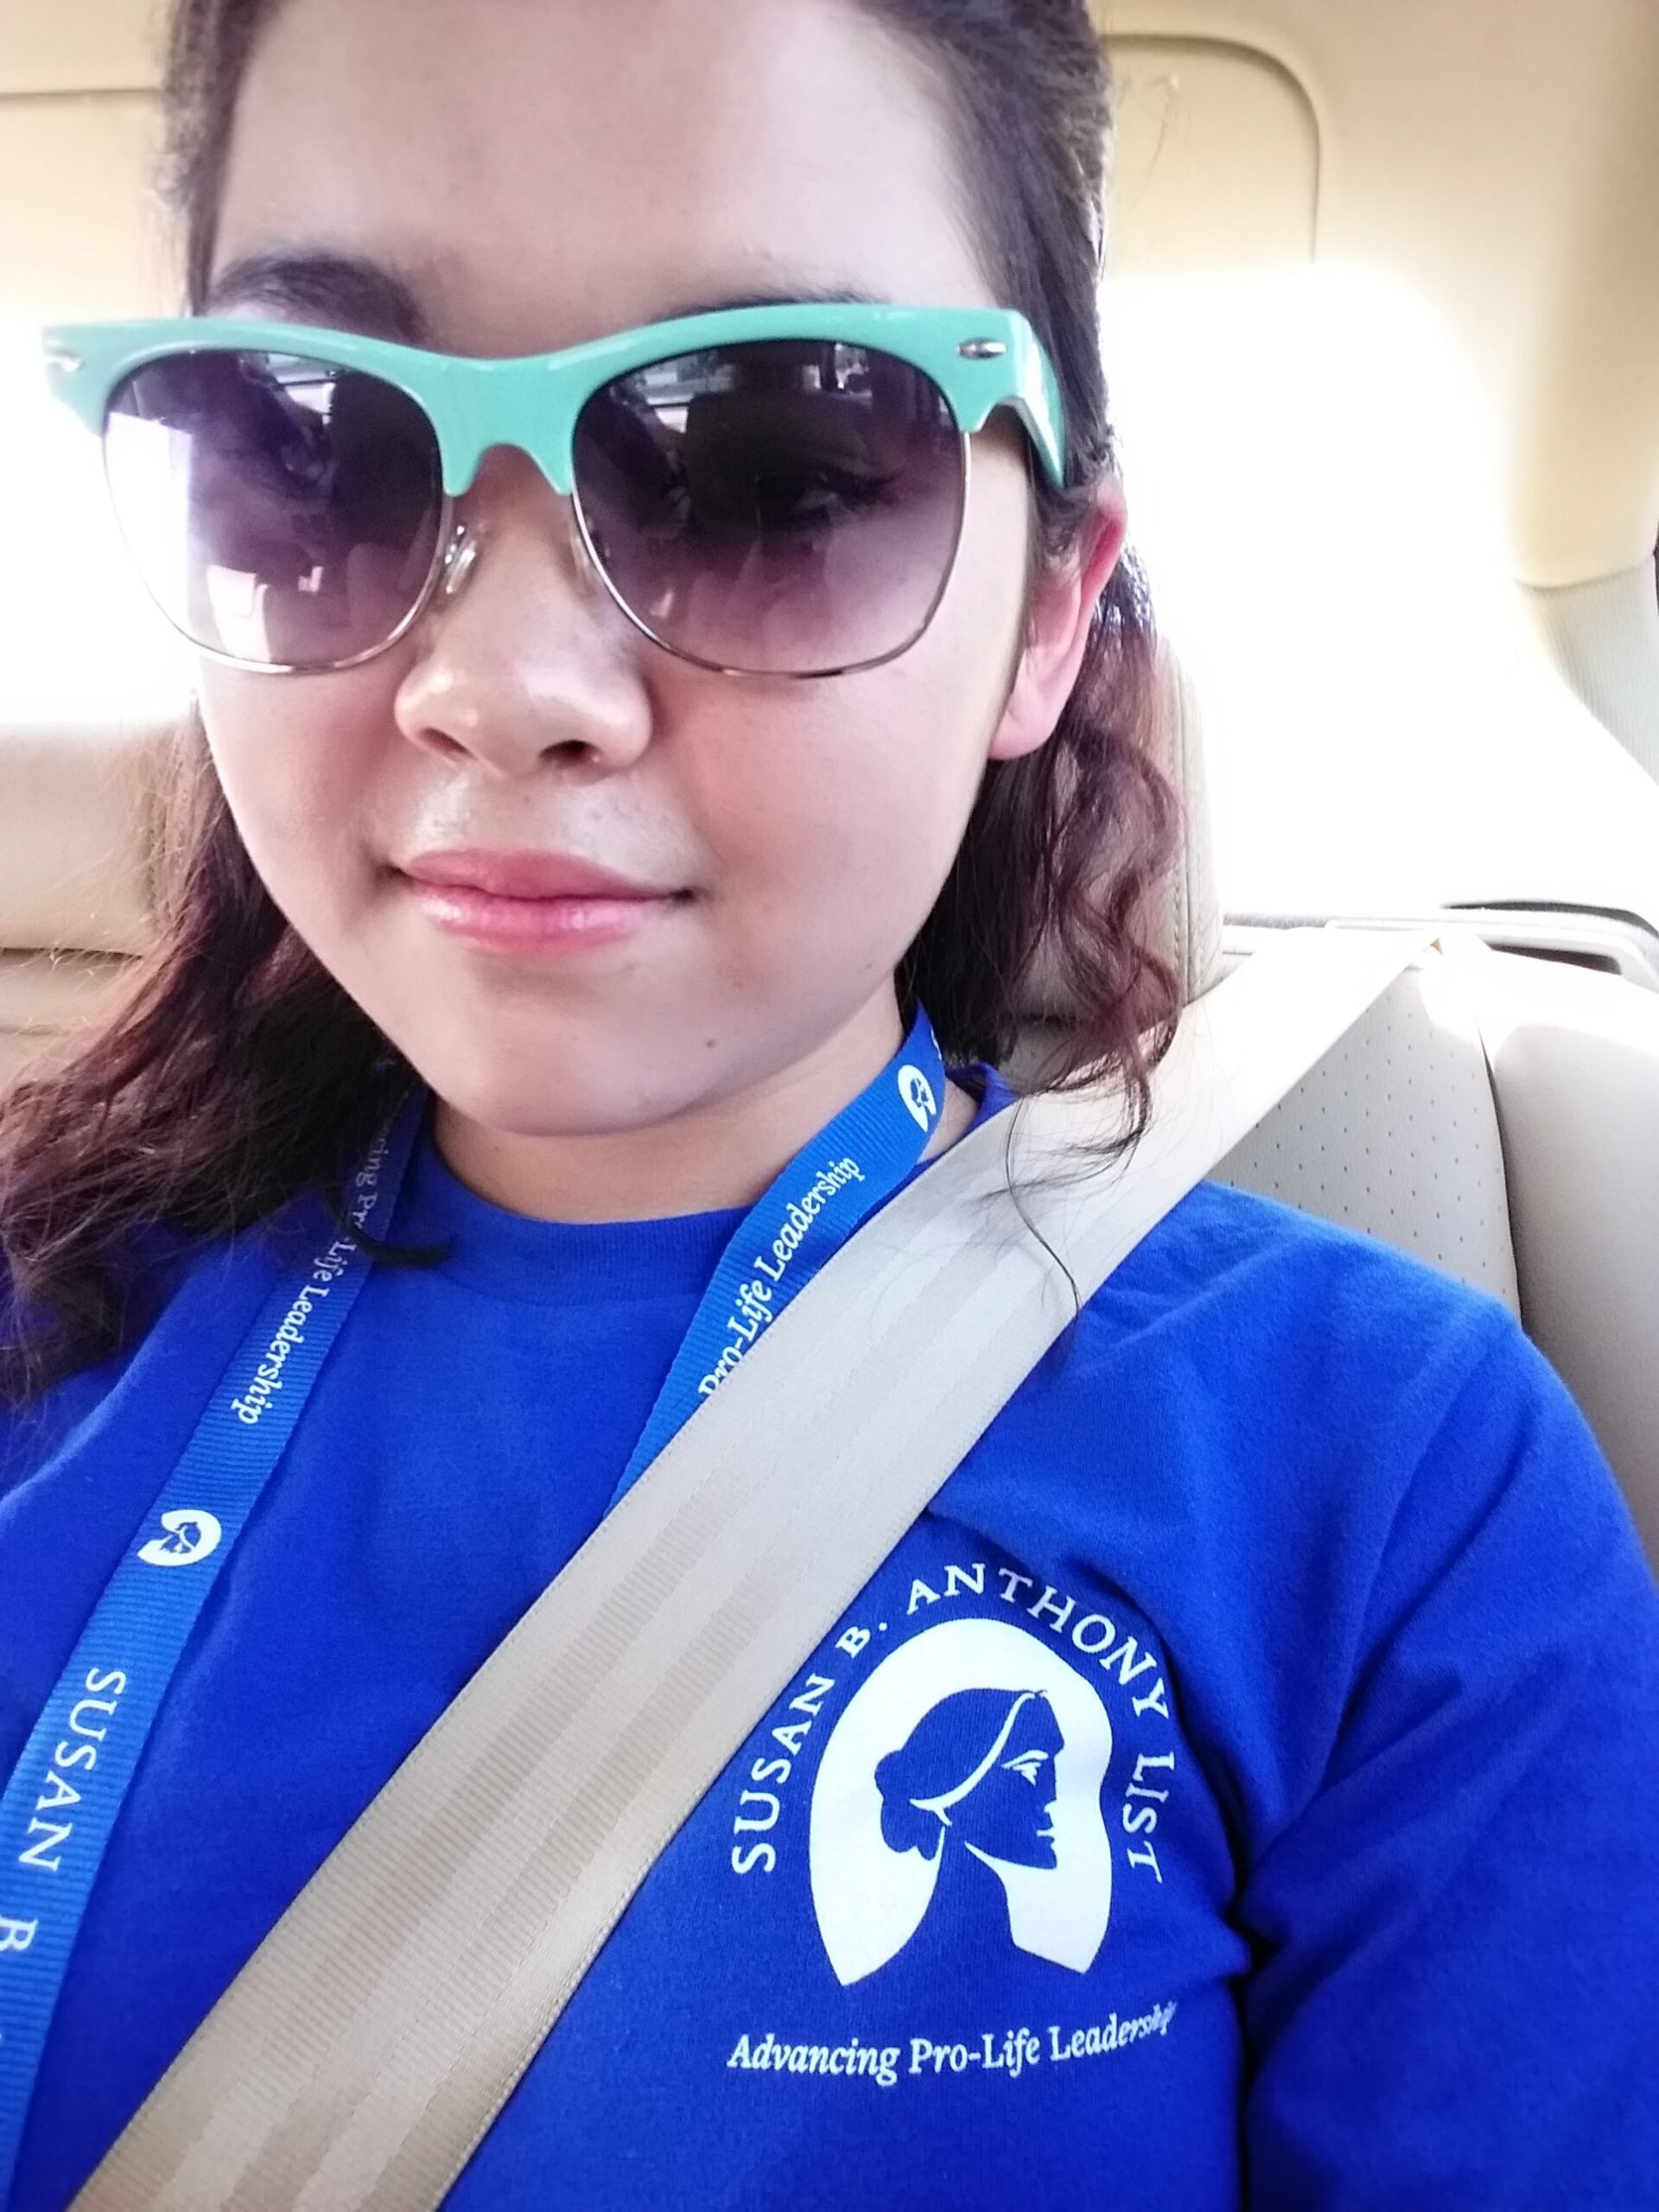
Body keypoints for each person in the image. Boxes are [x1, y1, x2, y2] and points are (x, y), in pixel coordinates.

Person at [1, 1, 1656, 2205]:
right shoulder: (42, 1325)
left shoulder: (1393, 1482)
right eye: (319, 451)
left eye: (775, 471)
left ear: (1050, 611)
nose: (503, 687)